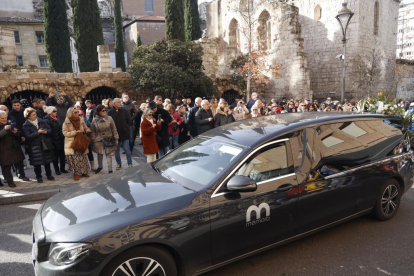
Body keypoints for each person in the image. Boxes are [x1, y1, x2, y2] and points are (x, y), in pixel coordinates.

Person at [22, 107, 55, 183]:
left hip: (45, 144)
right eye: (33, 114)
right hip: (34, 147)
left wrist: (46, 132)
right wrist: (37, 133)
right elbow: (28, 136)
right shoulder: (25, 125)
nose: (35, 115)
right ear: (28, 116)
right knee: (37, 163)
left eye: (35, 114)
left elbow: (50, 130)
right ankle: (39, 177)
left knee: (47, 161)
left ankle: (49, 175)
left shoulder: (42, 121)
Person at [0, 110, 29, 187]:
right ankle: (10, 181)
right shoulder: (3, 127)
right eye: (2, 118)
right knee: (7, 166)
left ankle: (22, 175)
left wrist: (16, 132)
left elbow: (18, 135)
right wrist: (4, 130)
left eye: (5, 118)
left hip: (15, 148)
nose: (4, 119)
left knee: (19, 162)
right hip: (4, 150)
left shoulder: (10, 123)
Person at [62, 107, 91, 181]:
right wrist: (74, 132)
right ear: (70, 113)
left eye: (77, 112)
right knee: (75, 159)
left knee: (83, 157)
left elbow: (85, 127)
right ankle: (75, 173)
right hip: (72, 142)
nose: (77, 113)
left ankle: (84, 172)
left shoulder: (81, 120)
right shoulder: (66, 122)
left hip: (80, 141)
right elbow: (65, 133)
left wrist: (86, 129)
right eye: (75, 112)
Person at [91, 105, 119, 174]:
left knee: (108, 154)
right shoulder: (95, 120)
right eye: (103, 111)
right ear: (99, 112)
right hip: (98, 139)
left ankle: (110, 169)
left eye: (105, 110)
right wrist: (94, 139)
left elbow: (114, 129)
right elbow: (93, 130)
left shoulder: (109, 118)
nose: (105, 112)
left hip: (108, 138)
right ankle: (100, 167)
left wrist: (116, 138)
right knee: (99, 154)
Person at [108, 98, 133, 169]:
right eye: (118, 102)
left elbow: (129, 121)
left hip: (125, 134)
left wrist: (125, 128)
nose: (120, 103)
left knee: (127, 149)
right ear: (114, 104)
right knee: (116, 151)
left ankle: (130, 164)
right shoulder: (110, 112)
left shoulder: (125, 111)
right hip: (115, 135)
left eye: (120, 102)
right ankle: (119, 164)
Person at [44, 106, 67, 175]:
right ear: (49, 112)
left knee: (62, 155)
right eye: (54, 111)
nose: (56, 112)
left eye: (56, 111)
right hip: (53, 140)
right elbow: (49, 131)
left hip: (60, 139)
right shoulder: (47, 120)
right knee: (55, 156)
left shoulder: (57, 119)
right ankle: (57, 170)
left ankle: (62, 168)